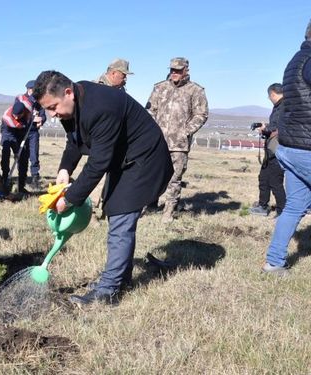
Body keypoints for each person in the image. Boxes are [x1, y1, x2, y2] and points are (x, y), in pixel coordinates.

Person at [32, 70, 173, 305]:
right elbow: (75, 141)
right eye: (48, 109)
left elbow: (98, 163)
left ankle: (108, 291)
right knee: (114, 209)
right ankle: (120, 278)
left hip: (145, 160)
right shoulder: (75, 103)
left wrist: (70, 199)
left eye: (54, 107)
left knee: (121, 215)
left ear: (68, 92)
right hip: (123, 160)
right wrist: (65, 169)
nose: (52, 115)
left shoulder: (101, 107)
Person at [262, 19, 311, 276]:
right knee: (294, 206)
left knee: (294, 206)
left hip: (291, 147)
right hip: (307, 147)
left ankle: (274, 263)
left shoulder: (296, 60)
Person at [147, 57, 208, 223]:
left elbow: (201, 114)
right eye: (172, 70)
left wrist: (185, 132)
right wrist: (151, 132)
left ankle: (168, 211)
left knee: (174, 178)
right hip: (157, 142)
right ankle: (151, 203)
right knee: (153, 175)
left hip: (179, 144)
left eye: (178, 70)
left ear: (186, 71)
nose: (174, 73)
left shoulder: (195, 90)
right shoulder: (159, 88)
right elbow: (150, 111)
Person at [249, 83, 286, 218]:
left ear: (272, 94)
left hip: (278, 151)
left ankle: (282, 210)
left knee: (275, 181)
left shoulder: (283, 107)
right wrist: (266, 130)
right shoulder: (280, 107)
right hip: (272, 150)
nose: (269, 98)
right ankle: (262, 205)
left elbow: (277, 128)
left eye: (269, 96)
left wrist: (265, 129)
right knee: (264, 178)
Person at [0, 80, 42, 194]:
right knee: (6, 154)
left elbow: (29, 121)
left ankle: (21, 186)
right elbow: (19, 124)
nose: (16, 117)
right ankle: (5, 180)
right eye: (15, 115)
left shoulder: (28, 108)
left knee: (23, 157)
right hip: (9, 132)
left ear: (24, 112)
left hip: (22, 132)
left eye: (19, 115)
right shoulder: (8, 118)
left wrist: (36, 119)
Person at [25, 80, 47, 190]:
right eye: (33, 90)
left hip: (34, 132)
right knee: (23, 155)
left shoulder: (39, 102)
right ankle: (22, 176)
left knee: (34, 155)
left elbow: (44, 115)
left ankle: (35, 177)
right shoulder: (22, 100)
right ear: (29, 89)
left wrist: (41, 119)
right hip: (23, 132)